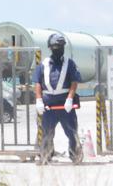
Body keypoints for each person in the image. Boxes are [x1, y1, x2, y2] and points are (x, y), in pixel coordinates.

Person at [35, 33, 82, 164]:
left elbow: (74, 81)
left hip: (65, 106)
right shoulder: (43, 65)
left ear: (63, 48)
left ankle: (75, 155)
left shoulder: (69, 64)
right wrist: (38, 100)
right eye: (55, 47)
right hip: (48, 106)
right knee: (46, 133)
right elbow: (38, 83)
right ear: (50, 48)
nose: (57, 49)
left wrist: (70, 99)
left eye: (59, 47)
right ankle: (46, 155)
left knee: (72, 132)